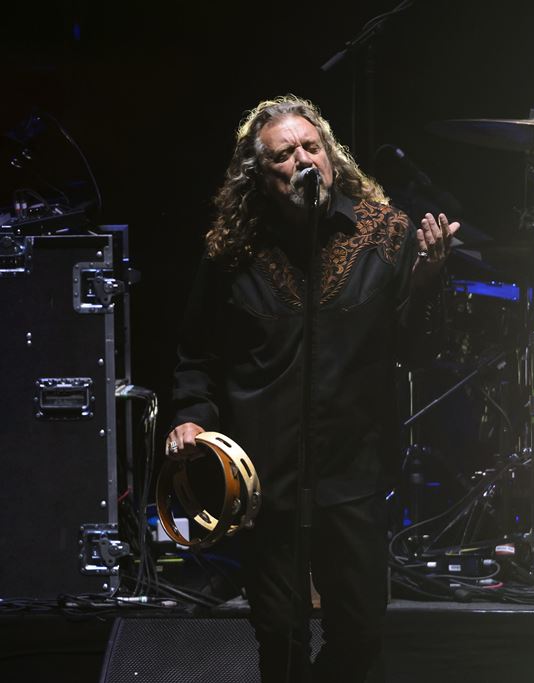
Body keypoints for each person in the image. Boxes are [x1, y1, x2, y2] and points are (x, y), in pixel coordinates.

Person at [164, 95, 459, 682]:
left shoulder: (386, 234)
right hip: (263, 475)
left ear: (330, 154)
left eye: (312, 146)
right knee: (279, 633)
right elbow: (196, 352)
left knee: (361, 629)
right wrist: (191, 414)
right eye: (284, 154)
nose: (303, 160)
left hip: (353, 468)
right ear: (260, 174)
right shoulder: (232, 252)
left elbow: (415, 352)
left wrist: (426, 279)